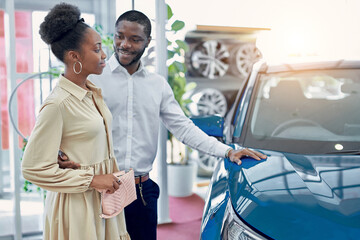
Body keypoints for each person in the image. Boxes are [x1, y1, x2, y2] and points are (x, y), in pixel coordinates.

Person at [59, 10, 267, 240]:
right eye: (120, 36)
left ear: (148, 42)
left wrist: (227, 151)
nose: (124, 45)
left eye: (135, 39)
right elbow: (65, 116)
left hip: (141, 192)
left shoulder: (157, 85)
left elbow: (183, 128)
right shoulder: (93, 78)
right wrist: (60, 150)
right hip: (99, 191)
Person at [21, 3, 130, 240]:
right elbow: (31, 168)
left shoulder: (92, 92)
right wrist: (91, 179)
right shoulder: (57, 104)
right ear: (74, 57)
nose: (104, 55)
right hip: (77, 207)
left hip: (105, 200)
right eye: (97, 49)